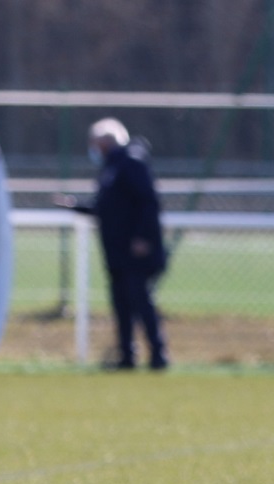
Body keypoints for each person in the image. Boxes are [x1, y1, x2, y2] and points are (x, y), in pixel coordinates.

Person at [58, 118, 168, 370]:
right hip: (116, 251)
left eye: (96, 143)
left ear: (106, 141)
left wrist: (142, 238)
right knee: (121, 304)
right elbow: (105, 208)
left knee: (141, 301)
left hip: (135, 252)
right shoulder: (111, 167)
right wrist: (74, 205)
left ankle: (158, 354)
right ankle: (127, 356)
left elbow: (148, 203)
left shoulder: (131, 163)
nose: (93, 148)